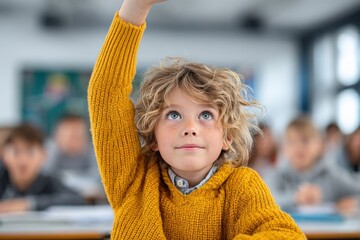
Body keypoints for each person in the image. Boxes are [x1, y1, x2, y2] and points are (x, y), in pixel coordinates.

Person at [88, 0, 305, 239]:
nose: (190, 128)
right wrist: (136, 6)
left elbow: (286, 235)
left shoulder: (242, 185)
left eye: (206, 115)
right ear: (153, 138)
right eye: (173, 115)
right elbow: (106, 92)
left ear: (227, 136)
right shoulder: (133, 180)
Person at [266, 116, 360, 215]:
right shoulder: (276, 174)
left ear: (320, 145)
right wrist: (296, 198)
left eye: (305, 140)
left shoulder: (331, 174)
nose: (298, 147)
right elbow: (265, 201)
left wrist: (354, 202)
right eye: (291, 142)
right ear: (284, 148)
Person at [0, 124, 85, 213]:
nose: (23, 161)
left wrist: (30, 204)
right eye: (16, 152)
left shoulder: (48, 182)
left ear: (43, 155)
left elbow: (77, 199)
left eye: (30, 152)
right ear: (4, 155)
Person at [42, 114, 103, 200]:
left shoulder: (93, 150)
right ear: (58, 136)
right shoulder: (50, 150)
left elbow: (99, 181)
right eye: (71, 136)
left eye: (79, 136)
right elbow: (45, 177)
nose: (76, 141)